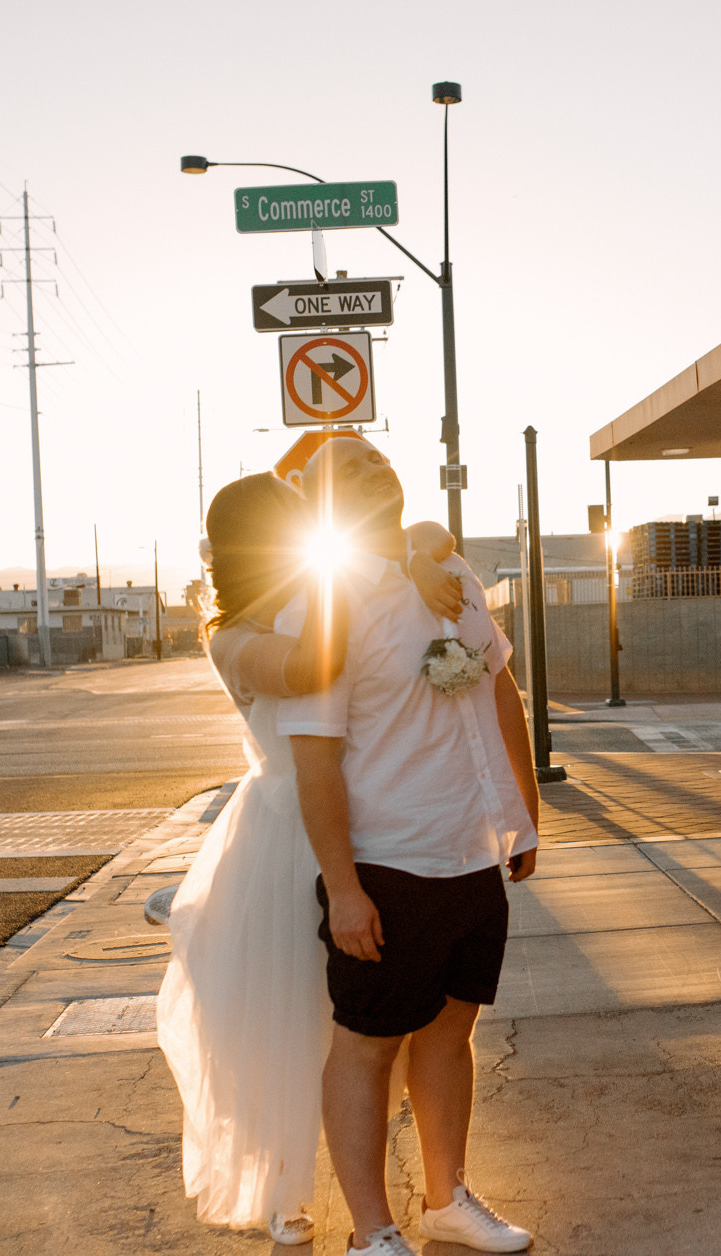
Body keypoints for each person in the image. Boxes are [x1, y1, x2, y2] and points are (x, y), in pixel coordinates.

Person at [157, 471, 461, 1246]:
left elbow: (427, 530)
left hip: (354, 818)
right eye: (295, 519)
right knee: (288, 1020)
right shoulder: (234, 635)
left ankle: (376, 1183)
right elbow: (315, 668)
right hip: (282, 832)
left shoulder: (319, 591)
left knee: (359, 1019)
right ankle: (283, 1187)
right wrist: (374, 569)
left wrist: (417, 554)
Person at [277, 436, 539, 1256]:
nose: (370, 470)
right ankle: (372, 1232)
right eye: (344, 469)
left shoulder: (451, 577)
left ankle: (446, 1198)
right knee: (365, 1044)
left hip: (469, 849)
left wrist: (523, 814)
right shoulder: (321, 605)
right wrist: (343, 886)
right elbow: (314, 757)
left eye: (375, 458)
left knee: (451, 1032)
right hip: (386, 863)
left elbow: (498, 687)